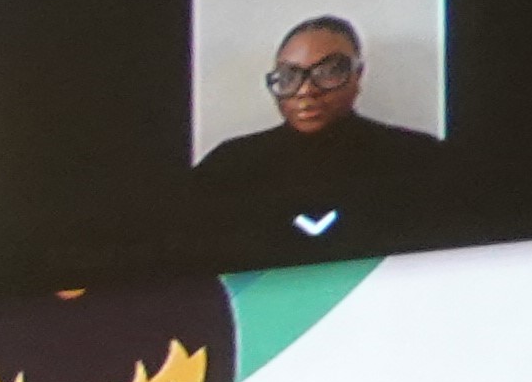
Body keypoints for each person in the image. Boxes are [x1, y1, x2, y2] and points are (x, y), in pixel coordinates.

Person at [189, 14, 450, 233]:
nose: (306, 90)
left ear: (357, 75)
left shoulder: (418, 158)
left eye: (328, 72)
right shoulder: (228, 165)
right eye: (289, 76)